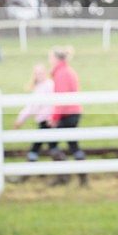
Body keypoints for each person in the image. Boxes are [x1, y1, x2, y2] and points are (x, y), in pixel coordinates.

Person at [48, 46, 87, 186]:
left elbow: (61, 98)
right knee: (73, 144)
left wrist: (54, 118)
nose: (49, 60)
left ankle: (64, 176)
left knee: (53, 143)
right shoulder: (67, 71)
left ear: (56, 59)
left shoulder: (61, 73)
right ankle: (81, 178)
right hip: (72, 112)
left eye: (50, 57)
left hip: (67, 113)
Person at [14, 63, 55, 165]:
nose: (39, 75)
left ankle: (27, 170)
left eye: (41, 72)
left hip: (48, 121)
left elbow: (38, 106)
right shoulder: (39, 87)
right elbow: (32, 106)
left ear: (45, 73)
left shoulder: (49, 85)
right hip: (43, 120)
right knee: (48, 145)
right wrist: (21, 118)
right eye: (36, 73)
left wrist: (21, 118)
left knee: (41, 145)